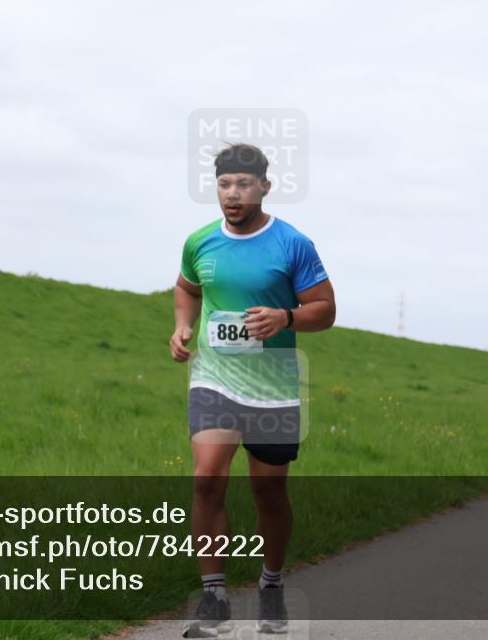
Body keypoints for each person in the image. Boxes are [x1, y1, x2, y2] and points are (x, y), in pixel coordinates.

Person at [170, 143, 336, 637]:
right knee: (206, 479)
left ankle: (270, 583)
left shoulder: (293, 244)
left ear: (265, 186)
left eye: (243, 184)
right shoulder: (200, 242)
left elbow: (325, 309)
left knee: (269, 491)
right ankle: (214, 598)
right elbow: (186, 288)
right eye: (224, 185)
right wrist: (183, 326)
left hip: (274, 387)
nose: (233, 194)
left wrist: (285, 316)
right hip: (215, 380)